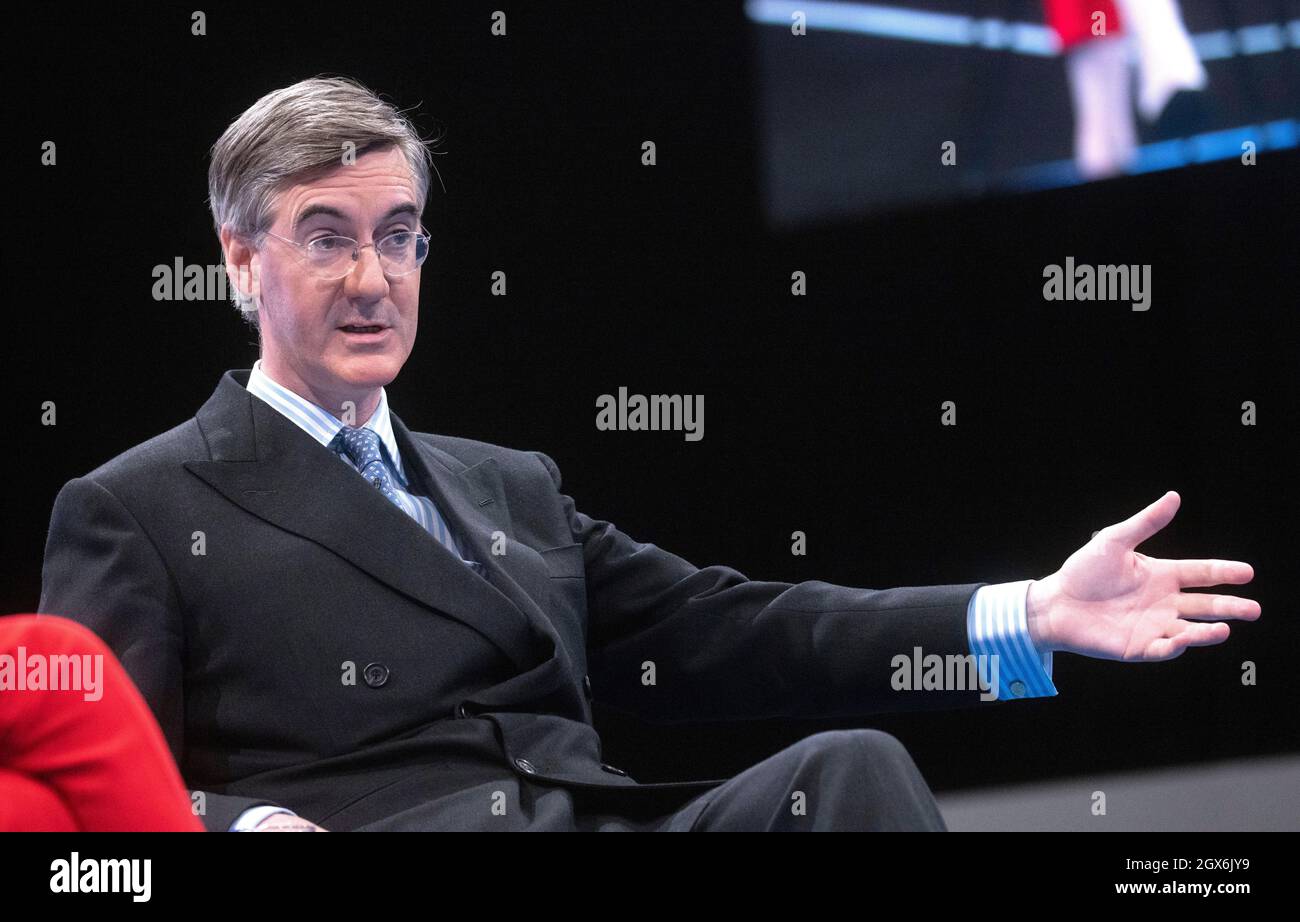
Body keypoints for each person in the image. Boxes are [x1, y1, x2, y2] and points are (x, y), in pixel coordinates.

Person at [37, 77, 1260, 831]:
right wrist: (247, 827)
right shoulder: (137, 506)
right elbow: (91, 803)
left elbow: (746, 628)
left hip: (597, 816)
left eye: (400, 237)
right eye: (327, 238)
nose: (374, 279)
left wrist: (1031, 613)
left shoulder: (506, 484)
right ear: (239, 259)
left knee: (846, 773)